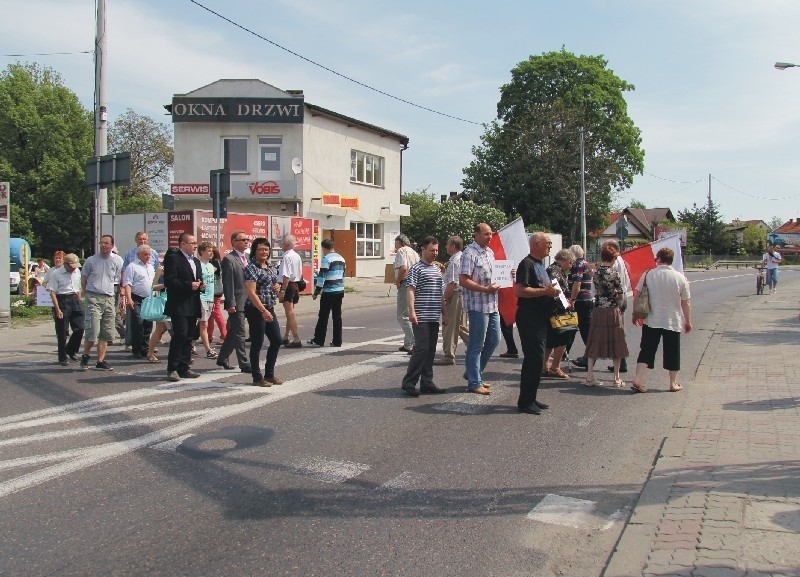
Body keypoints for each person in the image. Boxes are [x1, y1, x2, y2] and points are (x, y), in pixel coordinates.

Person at [630, 247, 692, 393]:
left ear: (658, 259)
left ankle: (638, 379)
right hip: (672, 320)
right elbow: (685, 302)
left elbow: (637, 295)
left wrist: (636, 314)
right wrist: (688, 321)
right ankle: (673, 383)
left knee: (646, 349)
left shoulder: (648, 274)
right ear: (672, 260)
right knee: (672, 351)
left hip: (652, 319)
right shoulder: (680, 278)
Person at [514, 233, 561, 414]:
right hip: (529, 317)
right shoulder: (526, 264)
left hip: (541, 317)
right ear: (536, 244)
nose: (550, 246)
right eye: (547, 243)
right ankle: (525, 402)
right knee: (534, 358)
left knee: (538, 359)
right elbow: (519, 290)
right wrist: (544, 292)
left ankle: (531, 397)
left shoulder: (540, 265)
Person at [401, 236, 448, 396]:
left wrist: (444, 313)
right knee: (421, 349)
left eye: (436, 250)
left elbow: (440, 293)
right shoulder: (416, 268)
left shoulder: (436, 269)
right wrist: (412, 311)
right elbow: (410, 290)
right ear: (423, 249)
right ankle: (409, 382)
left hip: (433, 317)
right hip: (421, 316)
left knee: (430, 350)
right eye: (432, 250)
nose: (435, 253)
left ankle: (427, 382)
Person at [459, 223, 500, 395]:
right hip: (478, 305)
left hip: (492, 304)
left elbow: (495, 275)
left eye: (490, 234)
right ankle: (474, 382)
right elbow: (463, 280)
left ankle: (472, 373)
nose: (489, 237)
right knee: (477, 344)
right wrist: (484, 289)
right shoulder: (469, 253)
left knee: (494, 340)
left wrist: (507, 274)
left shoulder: (489, 253)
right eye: (486, 234)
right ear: (476, 234)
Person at [583, 244, 629, 388]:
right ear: (613, 258)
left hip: (598, 310)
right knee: (617, 341)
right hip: (612, 310)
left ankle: (590, 376)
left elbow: (594, 291)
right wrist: (616, 296)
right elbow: (621, 295)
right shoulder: (614, 273)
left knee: (595, 340)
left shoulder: (595, 273)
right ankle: (616, 378)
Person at [80, 234, 124, 371]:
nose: (104, 245)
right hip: (93, 297)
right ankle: (86, 355)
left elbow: (119, 279)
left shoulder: (117, 261)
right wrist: (86, 294)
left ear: (112, 245)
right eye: (102, 243)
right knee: (93, 330)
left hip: (109, 297)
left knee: (106, 332)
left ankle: (100, 360)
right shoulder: (91, 260)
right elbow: (83, 279)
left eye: (106, 243)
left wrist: (121, 295)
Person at [244, 237, 283, 386]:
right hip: (256, 309)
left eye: (266, 249)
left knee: (277, 340)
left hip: (269, 307)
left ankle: (269, 374)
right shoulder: (251, 268)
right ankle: (257, 377)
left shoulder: (271, 267)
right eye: (261, 249)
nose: (264, 252)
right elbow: (251, 293)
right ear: (254, 251)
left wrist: (277, 287)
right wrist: (262, 311)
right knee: (257, 343)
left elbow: (274, 283)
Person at [164, 233, 203, 382]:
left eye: (195, 243)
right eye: (192, 243)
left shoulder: (195, 261)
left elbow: (197, 280)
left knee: (189, 336)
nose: (195, 246)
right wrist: (189, 285)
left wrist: (201, 286)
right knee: (180, 334)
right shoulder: (174, 258)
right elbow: (170, 281)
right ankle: (172, 368)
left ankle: (184, 367)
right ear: (182, 244)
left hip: (193, 303)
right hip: (179, 304)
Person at [217, 230, 251, 373]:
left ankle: (222, 357)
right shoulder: (229, 259)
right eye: (242, 239)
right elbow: (228, 283)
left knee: (233, 332)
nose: (246, 241)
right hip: (237, 301)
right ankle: (244, 363)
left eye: (247, 239)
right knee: (240, 333)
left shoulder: (248, 258)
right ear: (234, 242)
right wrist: (230, 303)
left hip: (249, 300)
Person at [122, 231, 160, 349]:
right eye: (140, 239)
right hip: (136, 295)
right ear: (136, 240)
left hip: (150, 296)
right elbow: (126, 277)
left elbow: (157, 273)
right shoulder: (131, 260)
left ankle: (146, 346)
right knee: (137, 322)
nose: (148, 256)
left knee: (148, 323)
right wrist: (126, 295)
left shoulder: (153, 257)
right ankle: (135, 346)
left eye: (144, 239)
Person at [434, 236, 469, 366]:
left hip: (455, 295)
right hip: (462, 294)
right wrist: (445, 271)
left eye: (447, 244)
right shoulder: (461, 258)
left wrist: (445, 298)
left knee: (449, 325)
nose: (445, 247)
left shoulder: (455, 261)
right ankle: (476, 348)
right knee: (460, 326)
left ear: (453, 247)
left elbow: (453, 283)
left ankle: (449, 355)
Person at [543, 248, 577, 379]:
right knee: (563, 338)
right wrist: (566, 304)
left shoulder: (554, 269)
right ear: (564, 260)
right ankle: (555, 367)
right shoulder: (555, 271)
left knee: (550, 340)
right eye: (570, 262)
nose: (571, 265)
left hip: (552, 309)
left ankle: (545, 366)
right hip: (557, 310)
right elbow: (556, 292)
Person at [46, 253, 84, 366]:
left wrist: (80, 300)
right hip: (62, 300)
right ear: (65, 264)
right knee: (62, 331)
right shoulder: (56, 274)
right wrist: (57, 309)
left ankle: (71, 349)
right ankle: (62, 356)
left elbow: (78, 287)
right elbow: (52, 292)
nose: (74, 269)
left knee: (80, 327)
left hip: (75, 299)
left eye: (75, 266)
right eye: (72, 266)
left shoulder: (76, 271)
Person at [308, 238, 346, 347]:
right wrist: (342, 287)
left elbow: (322, 277)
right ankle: (337, 341)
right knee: (337, 317)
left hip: (329, 291)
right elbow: (343, 275)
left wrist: (316, 292)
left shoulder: (326, 259)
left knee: (323, 316)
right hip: (339, 290)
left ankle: (319, 340)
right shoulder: (341, 258)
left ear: (324, 248)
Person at [604, 239, 632, 373]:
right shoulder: (621, 261)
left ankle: (621, 362)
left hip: (617, 299)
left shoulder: (615, 264)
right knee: (618, 331)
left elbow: (613, 284)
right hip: (623, 297)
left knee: (616, 332)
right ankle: (621, 362)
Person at [393, 234, 419, 353]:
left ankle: (414, 342)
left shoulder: (402, 251)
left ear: (400, 242)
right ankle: (407, 344)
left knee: (402, 316)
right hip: (415, 284)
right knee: (409, 313)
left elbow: (403, 268)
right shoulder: (414, 252)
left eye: (396, 243)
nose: (395, 246)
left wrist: (398, 281)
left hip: (405, 284)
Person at [569, 244, 593, 369]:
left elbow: (577, 283)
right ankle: (588, 356)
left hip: (581, 300)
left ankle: (589, 357)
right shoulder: (587, 264)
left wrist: (572, 299)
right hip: (588, 298)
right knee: (583, 328)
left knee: (582, 329)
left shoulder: (577, 265)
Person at [278, 234, 303, 348]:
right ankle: (286, 336)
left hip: (288, 285)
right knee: (290, 312)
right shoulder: (296, 255)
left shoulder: (286, 257)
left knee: (289, 313)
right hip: (296, 284)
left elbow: (286, 276)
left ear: (287, 244)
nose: (281, 244)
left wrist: (282, 290)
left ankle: (296, 338)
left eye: (283, 243)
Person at [195, 242, 218, 358]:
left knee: (200, 324)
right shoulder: (198, 265)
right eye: (208, 251)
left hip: (209, 298)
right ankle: (208, 350)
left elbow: (212, 285)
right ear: (201, 253)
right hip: (201, 298)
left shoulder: (211, 266)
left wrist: (213, 300)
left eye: (211, 250)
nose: (211, 253)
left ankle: (190, 346)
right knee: (204, 324)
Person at [146, 263, 169, 364]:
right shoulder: (161, 270)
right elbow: (153, 287)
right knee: (159, 329)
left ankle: (182, 354)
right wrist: (165, 285)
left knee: (175, 329)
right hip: (162, 301)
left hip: (175, 301)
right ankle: (150, 353)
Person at [207, 247, 227, 345]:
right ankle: (208, 335)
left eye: (210, 252)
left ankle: (224, 335)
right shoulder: (216, 262)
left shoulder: (214, 262)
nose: (209, 253)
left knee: (216, 313)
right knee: (210, 314)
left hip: (214, 291)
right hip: (214, 291)